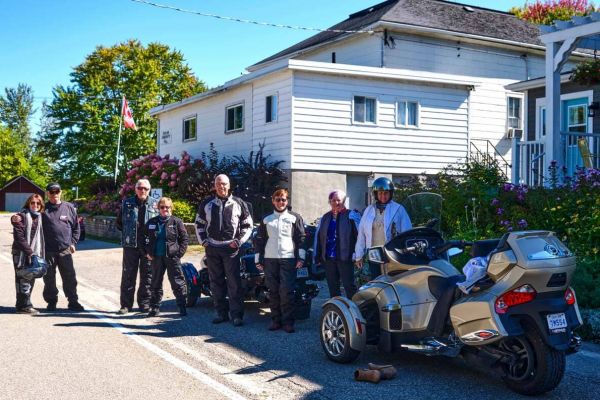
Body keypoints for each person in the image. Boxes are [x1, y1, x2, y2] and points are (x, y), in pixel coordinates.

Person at [195, 174, 253, 327]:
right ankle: (221, 313)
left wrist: (238, 241)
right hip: (213, 248)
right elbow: (199, 224)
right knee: (216, 282)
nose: (222, 187)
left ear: (229, 185)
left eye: (224, 184)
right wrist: (204, 241)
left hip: (231, 249)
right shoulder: (206, 203)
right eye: (219, 184)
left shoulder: (239, 203)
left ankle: (237, 315)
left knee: (234, 283)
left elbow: (248, 225)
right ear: (215, 185)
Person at [255, 189, 306, 333]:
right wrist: (258, 258)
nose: (280, 202)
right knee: (273, 291)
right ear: (273, 201)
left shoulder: (295, 218)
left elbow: (301, 238)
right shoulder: (266, 219)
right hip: (270, 259)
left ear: (287, 201)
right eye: (277, 199)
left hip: (288, 258)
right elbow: (259, 240)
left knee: (287, 291)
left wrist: (301, 257)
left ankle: (288, 322)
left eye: (283, 199)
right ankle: (276, 320)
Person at [116, 179, 159, 314]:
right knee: (128, 275)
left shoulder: (155, 204)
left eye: (145, 188)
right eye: (140, 188)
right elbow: (119, 223)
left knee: (147, 275)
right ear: (135, 189)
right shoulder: (127, 203)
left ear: (149, 190)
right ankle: (126, 305)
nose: (142, 191)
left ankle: (144, 304)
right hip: (131, 245)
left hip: (148, 246)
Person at [355, 177, 412, 279]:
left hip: (392, 252)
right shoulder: (369, 210)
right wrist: (359, 255)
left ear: (390, 193)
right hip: (374, 253)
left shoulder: (398, 209)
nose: (383, 196)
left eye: (386, 193)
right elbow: (362, 234)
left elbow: (407, 231)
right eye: (380, 193)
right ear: (376, 194)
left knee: (392, 280)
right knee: (377, 280)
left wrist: (407, 252)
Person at [143, 197, 189, 317]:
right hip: (156, 257)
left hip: (172, 257)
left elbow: (184, 239)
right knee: (155, 282)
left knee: (177, 282)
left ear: (171, 208)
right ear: (158, 209)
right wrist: (146, 252)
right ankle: (154, 307)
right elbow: (142, 237)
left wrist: (179, 254)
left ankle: (182, 306)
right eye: (162, 207)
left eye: (167, 207)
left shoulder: (176, 222)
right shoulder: (152, 222)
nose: (165, 209)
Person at [314, 190, 359, 299]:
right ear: (330, 202)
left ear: (343, 201)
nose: (336, 202)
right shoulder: (325, 217)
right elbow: (320, 238)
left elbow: (358, 236)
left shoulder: (351, 215)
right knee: (333, 288)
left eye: (338, 200)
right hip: (329, 258)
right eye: (333, 200)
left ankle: (355, 311)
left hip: (345, 257)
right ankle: (336, 311)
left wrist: (357, 255)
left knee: (349, 287)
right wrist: (318, 256)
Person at [11, 194, 46, 314]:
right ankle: (24, 306)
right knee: (22, 279)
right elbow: (19, 237)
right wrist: (30, 253)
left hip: (34, 253)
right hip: (20, 254)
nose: (35, 205)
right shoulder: (21, 216)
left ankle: (22, 304)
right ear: (28, 203)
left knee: (30, 278)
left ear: (41, 205)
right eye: (33, 203)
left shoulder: (40, 217)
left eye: (38, 203)